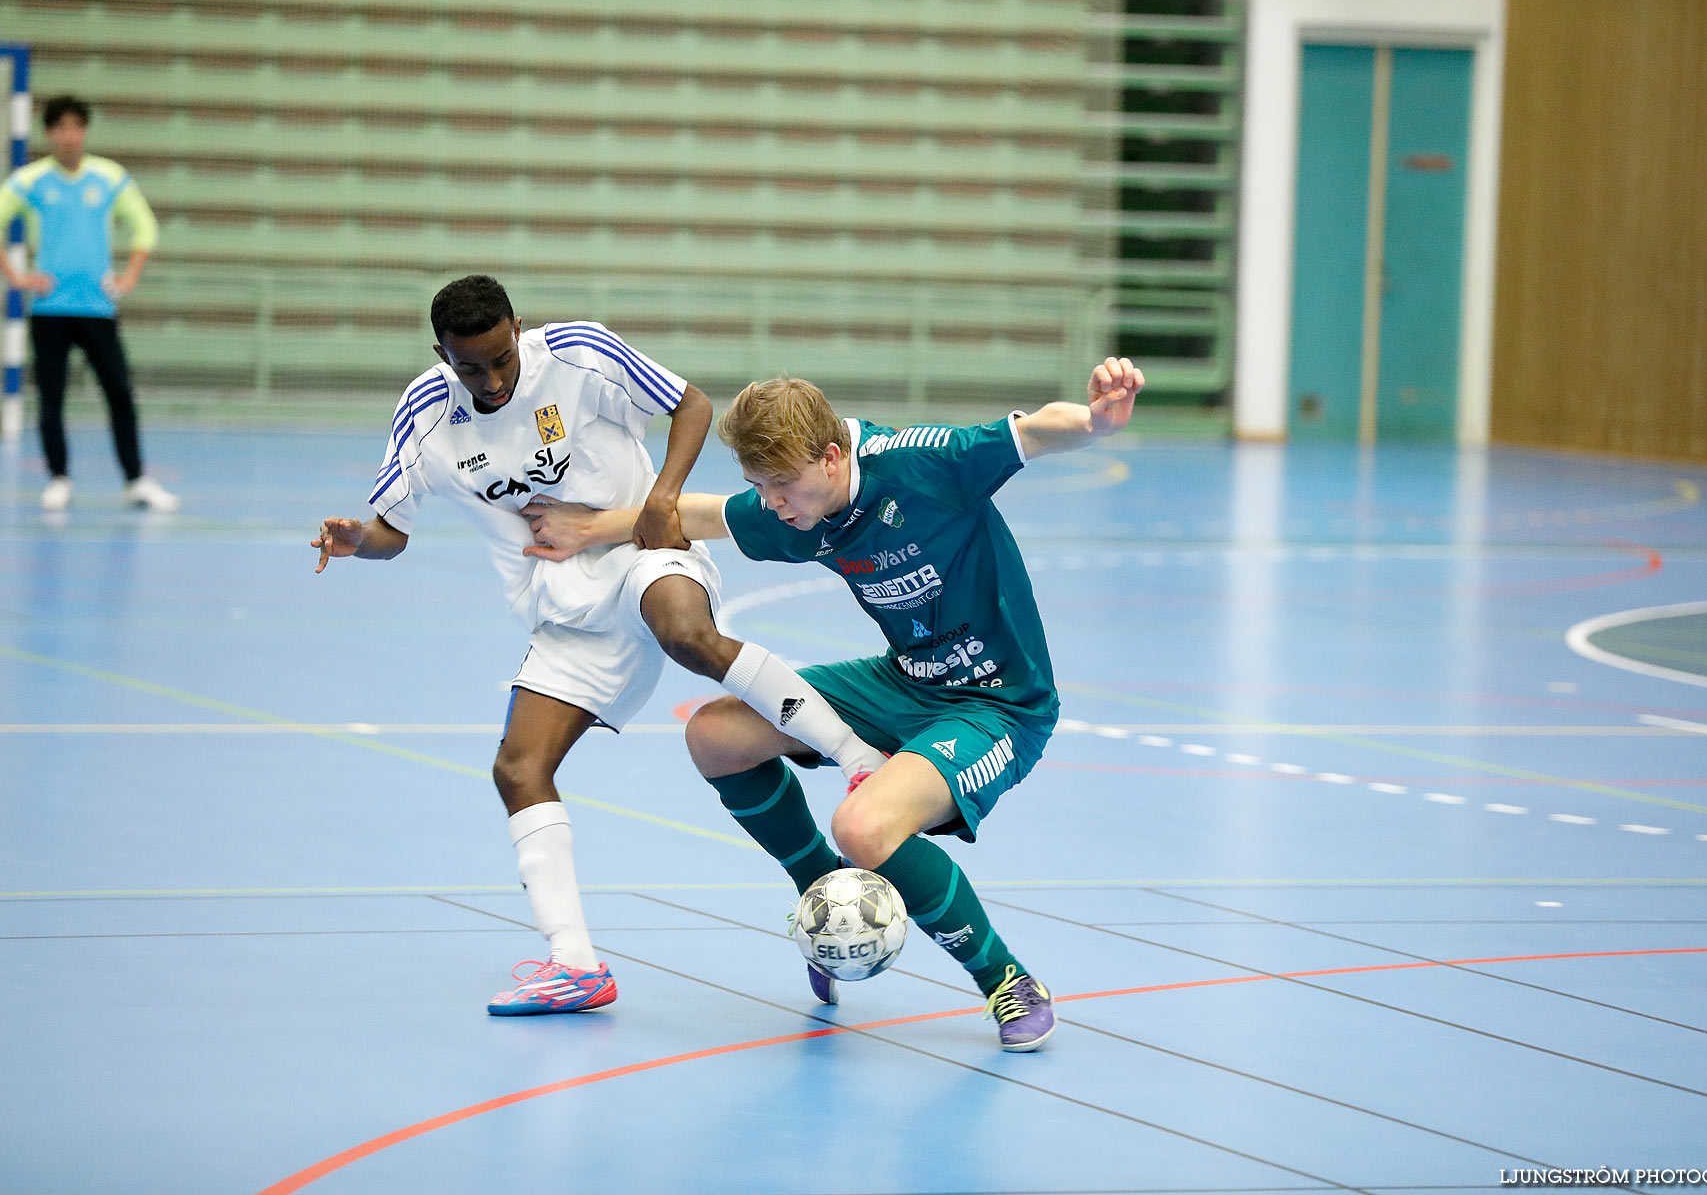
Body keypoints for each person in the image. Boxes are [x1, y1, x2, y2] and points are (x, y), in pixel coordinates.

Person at [521, 356, 1144, 1050]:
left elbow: (1033, 432)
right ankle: (821, 893)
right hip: (902, 680)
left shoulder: (922, 464)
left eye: (782, 485)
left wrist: (1094, 420)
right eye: (760, 487)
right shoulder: (791, 505)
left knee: (865, 828)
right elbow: (698, 514)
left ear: (831, 455)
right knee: (715, 737)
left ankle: (1007, 979)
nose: (774, 503)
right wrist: (589, 528)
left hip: (997, 703)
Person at [311, 275, 886, 1016]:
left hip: (643, 556)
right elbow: (392, 529)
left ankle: (855, 757)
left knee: (685, 631)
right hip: (564, 612)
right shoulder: (426, 413)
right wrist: (359, 540)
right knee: (519, 768)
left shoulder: (579, 353)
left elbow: (693, 404)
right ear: (441, 354)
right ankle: (575, 965)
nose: (488, 380)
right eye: (469, 367)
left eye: (499, 360)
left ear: (517, 331)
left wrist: (662, 497)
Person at [0, 95, 178, 512]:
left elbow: (144, 229)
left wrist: (128, 277)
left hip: (98, 309)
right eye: (59, 127)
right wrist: (18, 278)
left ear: (84, 130)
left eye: (76, 126)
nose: (68, 135)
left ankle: (135, 480)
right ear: (48, 134)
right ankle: (59, 478)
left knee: (119, 393)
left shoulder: (109, 178)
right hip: (50, 310)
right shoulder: (30, 181)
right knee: (52, 397)